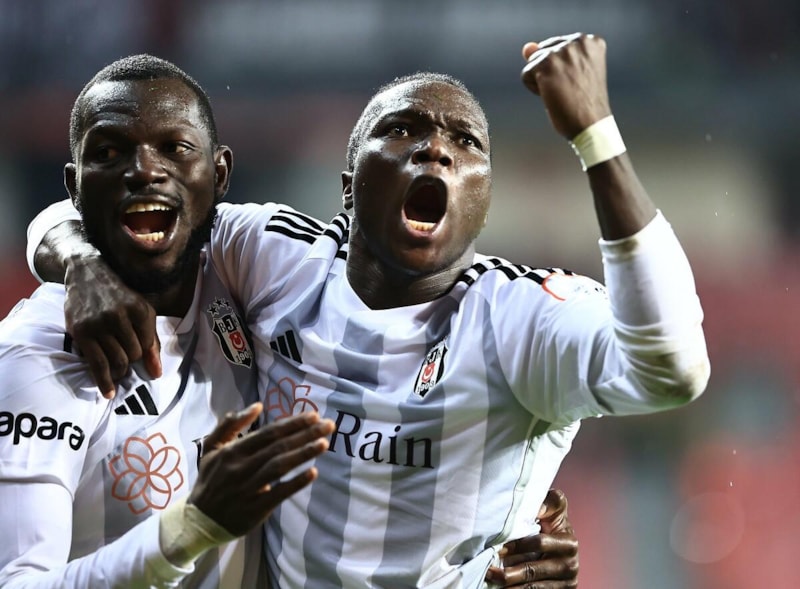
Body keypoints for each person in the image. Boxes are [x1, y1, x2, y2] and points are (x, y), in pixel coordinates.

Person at [27, 31, 709, 587]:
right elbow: (124, 209)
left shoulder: (521, 319)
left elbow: (672, 367)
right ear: (349, 187)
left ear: (483, 203)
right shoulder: (277, 258)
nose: (435, 147)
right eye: (403, 129)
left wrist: (595, 135)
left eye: (466, 141)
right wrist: (80, 263)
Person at [0, 54, 338, 588]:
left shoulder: (242, 272)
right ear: (75, 186)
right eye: (108, 153)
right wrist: (190, 527)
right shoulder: (36, 354)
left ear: (219, 174)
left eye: (175, 148)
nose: (144, 170)